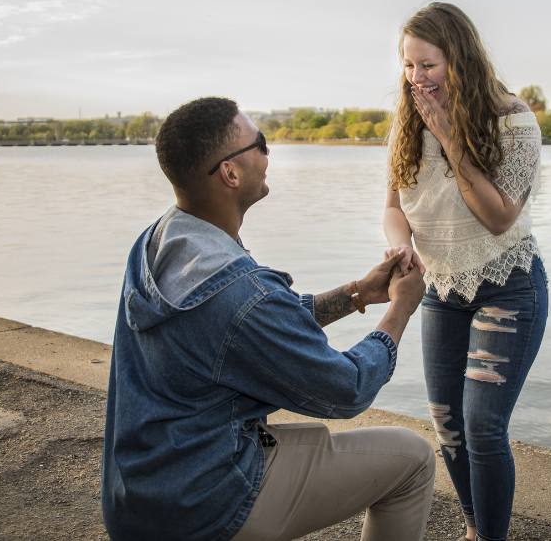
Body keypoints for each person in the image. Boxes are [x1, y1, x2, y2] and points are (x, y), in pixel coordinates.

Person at [101, 96, 435, 541]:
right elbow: (346, 388)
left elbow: (246, 332)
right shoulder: (239, 292)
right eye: (259, 142)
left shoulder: (159, 242)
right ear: (230, 173)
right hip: (202, 506)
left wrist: (355, 294)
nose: (268, 151)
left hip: (140, 496)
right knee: (413, 458)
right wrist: (400, 308)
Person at [382, 3, 549, 541]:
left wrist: (452, 138)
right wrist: (399, 247)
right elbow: (392, 206)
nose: (416, 79)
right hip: (442, 289)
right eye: (408, 66)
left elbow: (500, 218)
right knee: (447, 424)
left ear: (460, 59)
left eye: (427, 65)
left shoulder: (512, 120)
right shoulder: (406, 123)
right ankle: (477, 529)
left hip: (509, 286)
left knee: (482, 426)